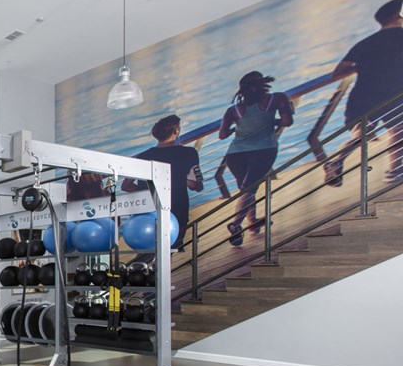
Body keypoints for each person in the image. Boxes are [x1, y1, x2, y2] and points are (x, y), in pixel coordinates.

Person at [325, 0, 403, 185]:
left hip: (361, 96)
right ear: (396, 17)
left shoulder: (363, 44)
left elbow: (338, 72)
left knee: (361, 134)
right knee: (397, 130)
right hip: (390, 94)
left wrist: (363, 66)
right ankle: (395, 171)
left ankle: (336, 161)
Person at [217, 71, 294, 245]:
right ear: (263, 84)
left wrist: (236, 129)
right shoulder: (277, 98)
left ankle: (252, 223)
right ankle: (236, 224)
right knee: (249, 188)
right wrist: (272, 122)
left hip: (235, 154)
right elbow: (287, 122)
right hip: (263, 150)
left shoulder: (233, 110)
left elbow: (222, 135)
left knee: (247, 189)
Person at [121, 114, 203, 250]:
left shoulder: (142, 157)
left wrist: (148, 191)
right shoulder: (189, 153)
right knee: (172, 247)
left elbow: (125, 186)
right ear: (176, 131)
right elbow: (195, 185)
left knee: (147, 250)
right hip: (177, 210)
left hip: (147, 212)